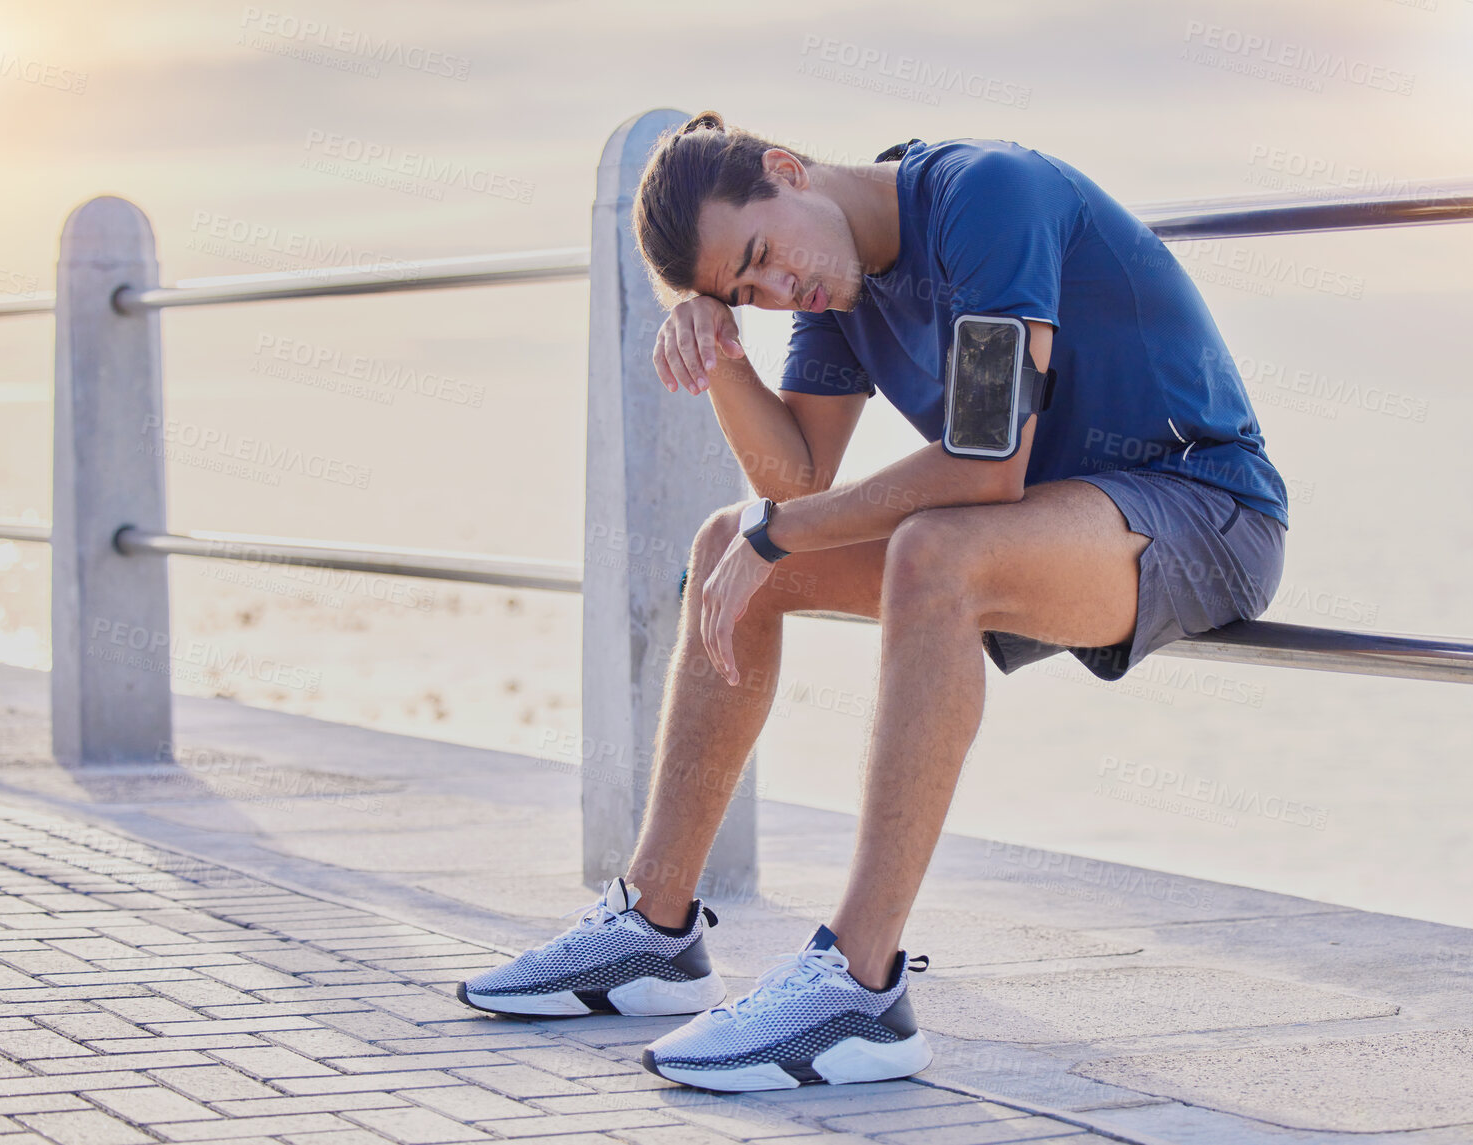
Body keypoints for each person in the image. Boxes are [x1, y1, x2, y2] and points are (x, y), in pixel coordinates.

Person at [457, 110, 1289, 1092]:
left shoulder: (986, 197)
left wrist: (783, 530)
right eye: (746, 292)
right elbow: (798, 482)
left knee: (923, 549)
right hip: (1037, 523)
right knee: (730, 541)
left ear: (784, 169)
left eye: (761, 257)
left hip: (1197, 506)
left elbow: (982, 461)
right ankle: (653, 927)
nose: (777, 290)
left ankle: (858, 985)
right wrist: (720, 348)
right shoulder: (836, 289)